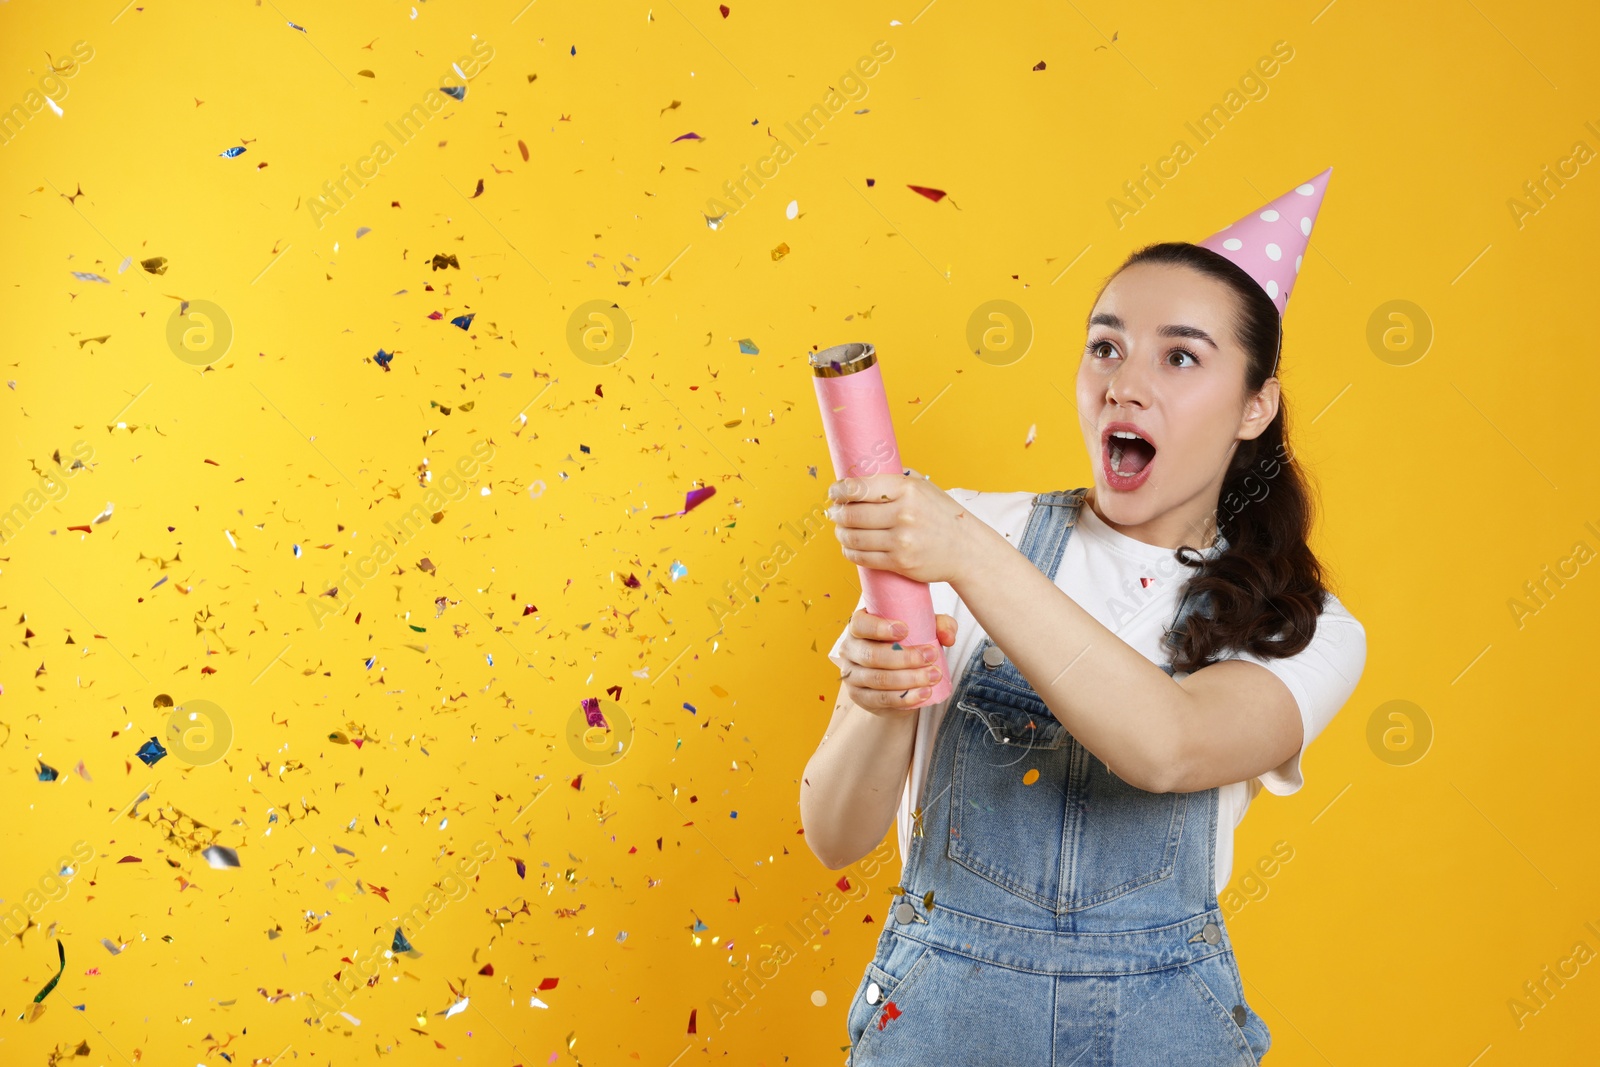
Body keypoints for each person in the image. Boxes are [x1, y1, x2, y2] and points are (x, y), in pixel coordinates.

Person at [800, 168, 1367, 1065]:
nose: (1124, 383)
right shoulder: (972, 531)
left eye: (1179, 357)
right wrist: (880, 703)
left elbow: (1168, 745)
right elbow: (836, 834)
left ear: (1255, 407)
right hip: (938, 1027)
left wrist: (962, 550)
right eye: (1106, 347)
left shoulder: (1302, 625)